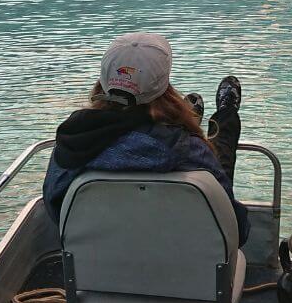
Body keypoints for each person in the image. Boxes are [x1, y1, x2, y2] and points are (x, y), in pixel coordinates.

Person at [42, 32, 249, 244]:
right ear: (164, 87)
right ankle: (224, 113)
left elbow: (55, 210)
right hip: (189, 270)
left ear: (103, 81)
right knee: (220, 147)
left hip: (97, 272)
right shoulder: (188, 149)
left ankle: (202, 115)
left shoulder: (71, 142)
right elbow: (236, 228)